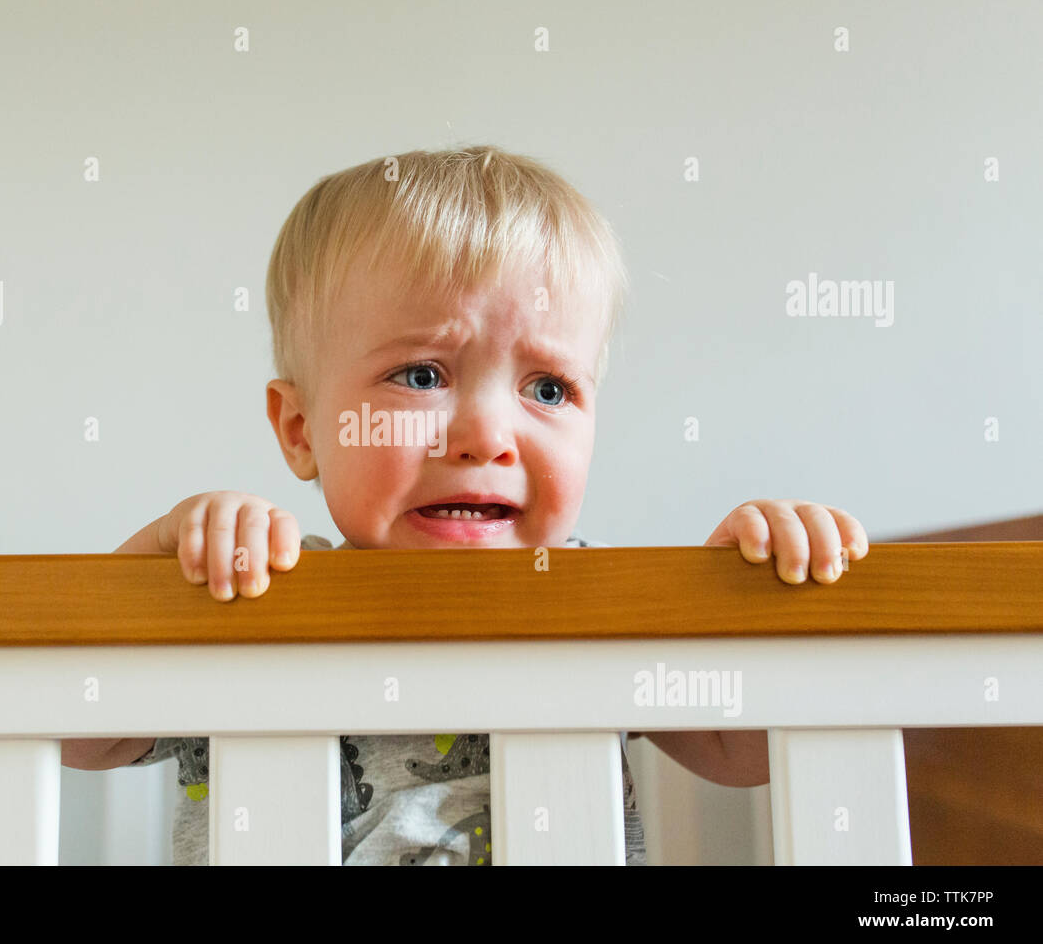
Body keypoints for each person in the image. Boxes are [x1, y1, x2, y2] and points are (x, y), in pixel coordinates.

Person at [61, 145, 869, 865]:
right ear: (303, 429)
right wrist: (164, 559)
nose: (486, 436)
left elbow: (749, 751)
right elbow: (74, 727)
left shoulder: (601, 601)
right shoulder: (252, 591)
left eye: (548, 388)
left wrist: (755, 595)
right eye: (421, 375)